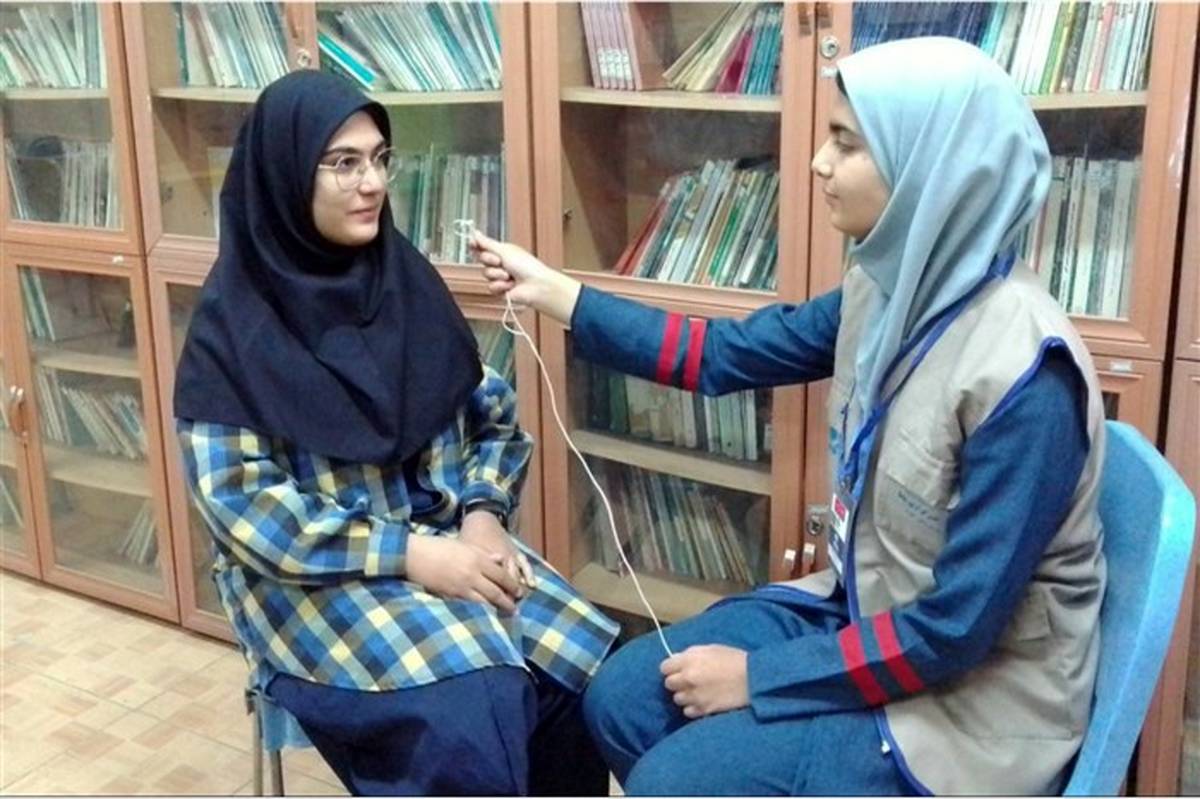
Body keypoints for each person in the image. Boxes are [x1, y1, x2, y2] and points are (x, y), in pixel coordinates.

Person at [473, 37, 1106, 796]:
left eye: (846, 142)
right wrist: (560, 294)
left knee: (677, 780)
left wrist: (759, 676)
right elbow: (726, 353)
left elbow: (954, 630)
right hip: (866, 610)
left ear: (927, 168)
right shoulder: (890, 287)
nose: (816, 162)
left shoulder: (1028, 377)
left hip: (971, 698)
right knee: (621, 698)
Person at [173, 70, 618, 797]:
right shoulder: (232, 326)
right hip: (311, 577)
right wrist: (411, 555)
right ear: (286, 175)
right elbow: (247, 510)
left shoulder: (403, 282)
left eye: (381, 158)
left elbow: (493, 421)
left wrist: (483, 515)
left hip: (446, 541)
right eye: (344, 162)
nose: (373, 183)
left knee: (587, 678)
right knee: (473, 713)